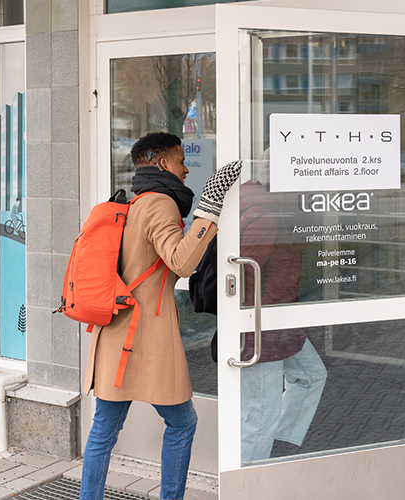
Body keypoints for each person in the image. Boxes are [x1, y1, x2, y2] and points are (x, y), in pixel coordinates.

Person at [79, 132, 241, 500]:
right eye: (181, 161)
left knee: (104, 428)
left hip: (115, 334)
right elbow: (181, 262)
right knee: (183, 423)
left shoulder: (135, 200)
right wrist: (209, 207)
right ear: (163, 163)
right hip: (145, 337)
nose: (186, 170)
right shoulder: (159, 203)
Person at [237, 163, 327, 463]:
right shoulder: (266, 217)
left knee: (311, 375)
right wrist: (251, 323)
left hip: (280, 318)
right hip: (263, 325)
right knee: (260, 415)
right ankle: (247, 481)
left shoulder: (275, 209)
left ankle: (277, 443)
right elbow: (240, 275)